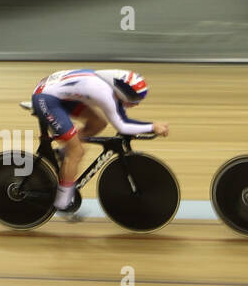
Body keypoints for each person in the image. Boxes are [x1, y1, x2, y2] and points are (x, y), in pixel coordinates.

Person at [31, 68, 169, 214]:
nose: (137, 104)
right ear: (123, 92)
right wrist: (152, 127)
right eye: (135, 99)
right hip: (47, 99)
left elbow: (122, 119)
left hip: (58, 93)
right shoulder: (104, 92)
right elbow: (122, 125)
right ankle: (61, 202)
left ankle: (64, 153)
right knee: (77, 152)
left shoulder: (111, 86)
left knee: (98, 123)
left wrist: (150, 127)